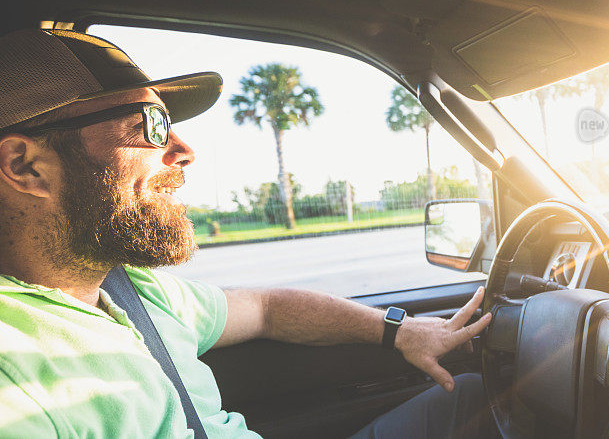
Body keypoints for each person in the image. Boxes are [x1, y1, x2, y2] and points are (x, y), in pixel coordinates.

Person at [0, 29, 493, 438]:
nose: (184, 149)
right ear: (25, 166)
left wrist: (402, 331)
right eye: (150, 125)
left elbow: (266, 309)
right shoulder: (13, 368)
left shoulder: (128, 288)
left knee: (474, 395)